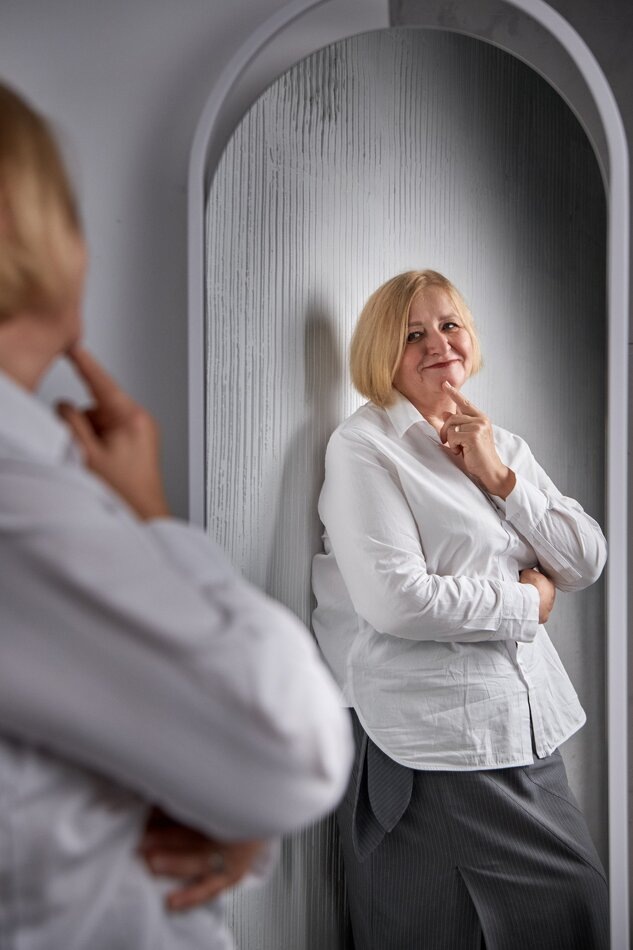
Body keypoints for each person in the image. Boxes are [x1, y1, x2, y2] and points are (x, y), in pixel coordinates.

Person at [0, 81, 353, 950]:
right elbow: (291, 744)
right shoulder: (21, 501)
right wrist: (153, 517)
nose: (441, 345)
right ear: (29, 236)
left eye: (451, 325)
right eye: (71, 215)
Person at [312, 269, 609, 949]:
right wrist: (528, 602)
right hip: (438, 740)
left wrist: (498, 477)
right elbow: (399, 601)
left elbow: (585, 558)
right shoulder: (364, 448)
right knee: (559, 910)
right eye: (412, 333)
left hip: (521, 728)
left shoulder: (498, 444)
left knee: (538, 918)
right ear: (381, 352)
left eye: (449, 325)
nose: (438, 343)